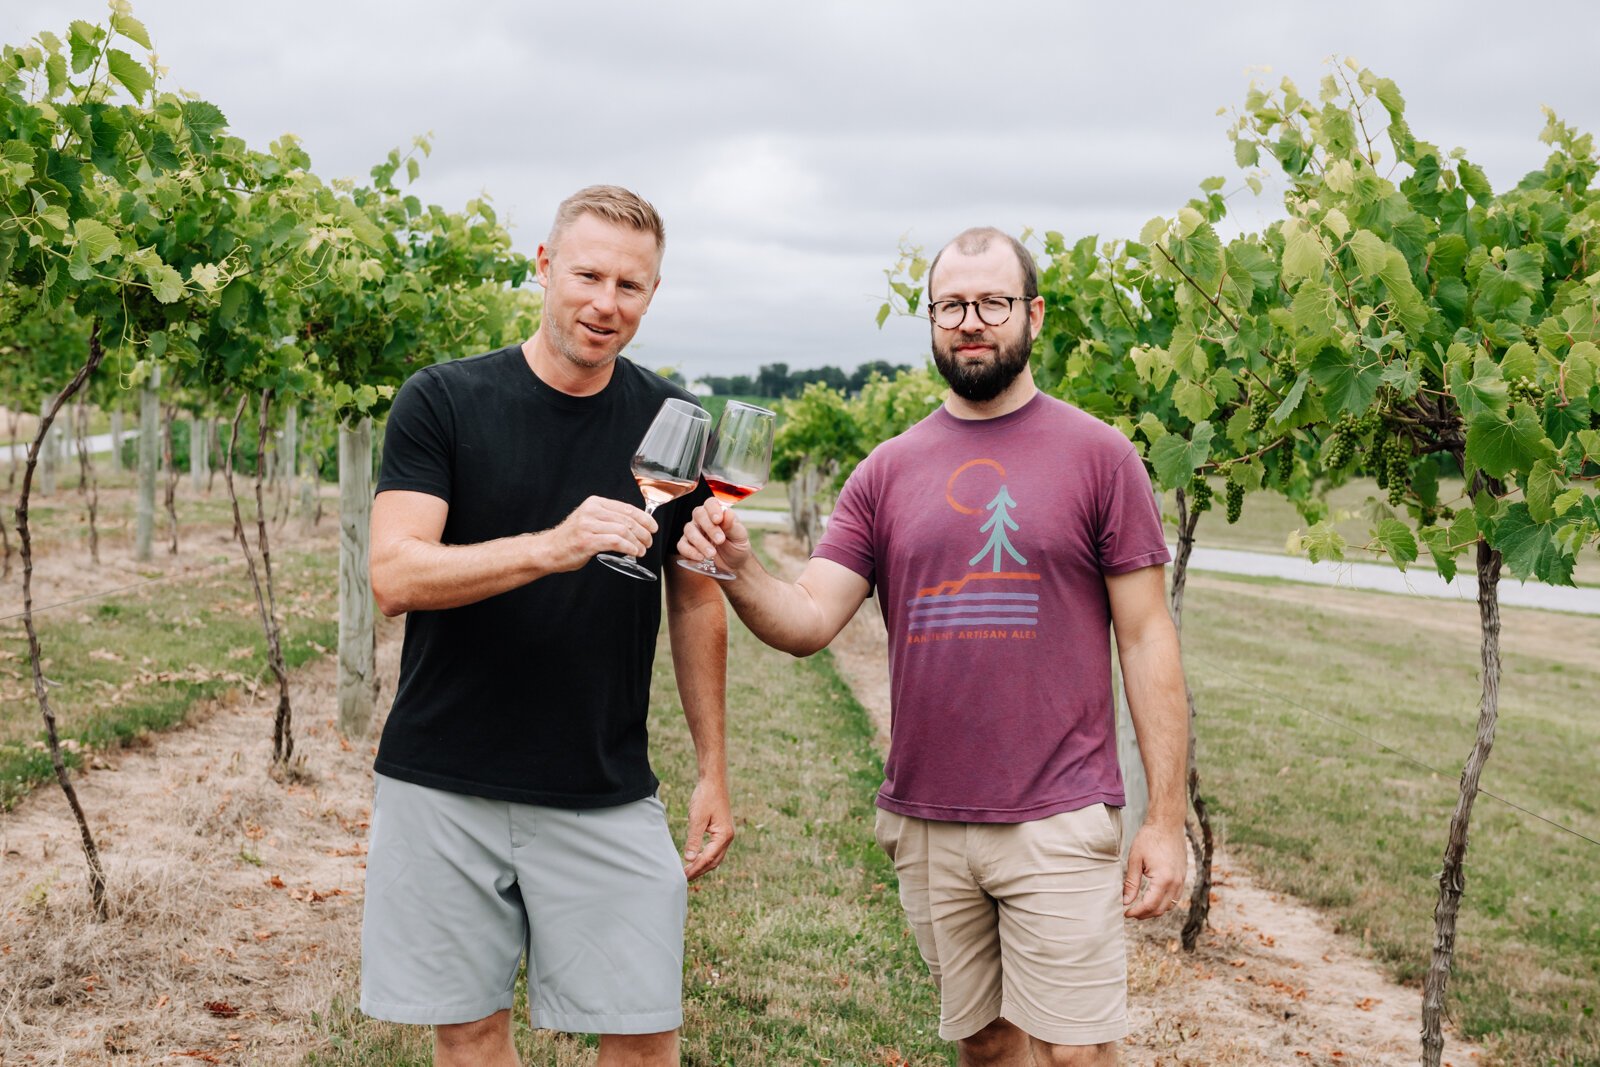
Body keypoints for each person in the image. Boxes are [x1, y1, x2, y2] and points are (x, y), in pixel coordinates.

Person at [678, 227, 1188, 1066]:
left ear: (1034, 313)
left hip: (1059, 814)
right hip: (926, 820)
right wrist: (738, 569)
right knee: (986, 1046)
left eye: (992, 302)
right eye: (952, 305)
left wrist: (1163, 819)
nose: (971, 321)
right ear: (931, 318)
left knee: (1076, 1052)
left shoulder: (1101, 457)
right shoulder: (885, 469)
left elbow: (1145, 636)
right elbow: (806, 621)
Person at [362, 185, 731, 1067]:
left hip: (603, 780)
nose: (606, 303)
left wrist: (713, 766)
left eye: (631, 286)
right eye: (589, 274)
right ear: (544, 266)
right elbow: (394, 574)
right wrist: (550, 546)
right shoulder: (443, 400)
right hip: (445, 777)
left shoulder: (676, 424)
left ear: (651, 295)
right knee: (471, 1031)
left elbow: (694, 595)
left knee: (644, 1034)